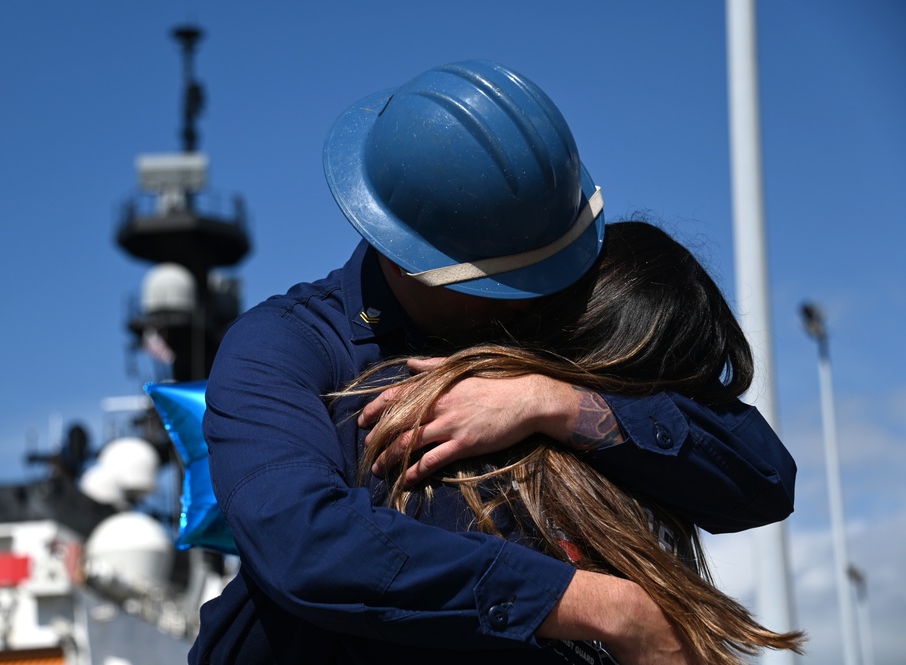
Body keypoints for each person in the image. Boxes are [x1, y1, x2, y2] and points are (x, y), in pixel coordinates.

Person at [191, 60, 796, 664]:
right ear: (408, 261)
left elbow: (763, 479)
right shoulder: (283, 348)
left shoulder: (538, 297)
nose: (540, 297)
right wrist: (604, 607)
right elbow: (305, 544)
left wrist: (554, 403)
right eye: (508, 282)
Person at [347, 221, 806, 664]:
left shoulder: (652, 471)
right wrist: (613, 610)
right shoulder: (432, 416)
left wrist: (551, 401)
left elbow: (770, 476)